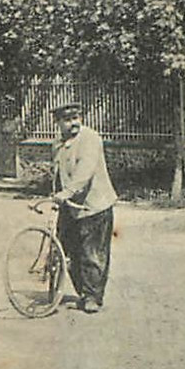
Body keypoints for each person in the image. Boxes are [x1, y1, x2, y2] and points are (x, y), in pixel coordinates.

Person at [50, 99, 118, 313]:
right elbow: (58, 172)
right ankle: (83, 291)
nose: (73, 124)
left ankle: (92, 297)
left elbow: (85, 172)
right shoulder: (58, 143)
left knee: (92, 253)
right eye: (67, 120)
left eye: (75, 118)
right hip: (70, 206)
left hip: (94, 206)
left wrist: (67, 192)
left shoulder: (90, 139)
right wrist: (55, 194)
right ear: (58, 123)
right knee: (67, 250)